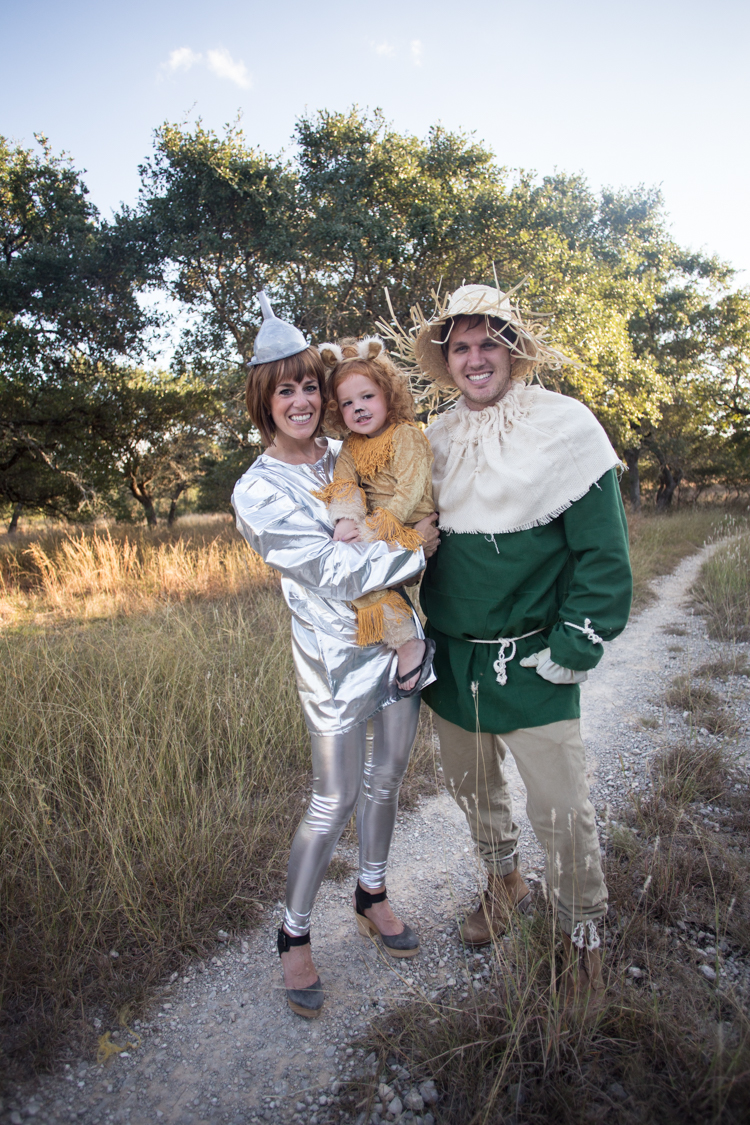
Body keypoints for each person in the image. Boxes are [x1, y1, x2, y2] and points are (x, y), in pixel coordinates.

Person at [380, 282, 632, 1005]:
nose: (474, 356)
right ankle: (504, 880)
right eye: (460, 346)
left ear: (514, 351)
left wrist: (577, 642)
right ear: (446, 360)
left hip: (534, 656)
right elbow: (415, 536)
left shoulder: (567, 426)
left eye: (489, 341)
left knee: (561, 806)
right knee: (473, 788)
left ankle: (584, 933)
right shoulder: (436, 438)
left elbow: (604, 557)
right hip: (456, 658)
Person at [231, 293, 439, 1019]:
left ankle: (372, 891)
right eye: (283, 388)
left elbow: (411, 491)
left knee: (390, 777)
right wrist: (416, 543)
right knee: (332, 798)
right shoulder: (257, 489)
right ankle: (292, 934)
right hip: (330, 659)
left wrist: (414, 528)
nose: (300, 399)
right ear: (264, 399)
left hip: (397, 637)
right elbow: (334, 569)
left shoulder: (352, 446)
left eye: (307, 385)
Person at [313, 335, 436, 695]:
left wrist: (373, 529)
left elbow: (410, 492)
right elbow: (344, 483)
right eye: (348, 403)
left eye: (367, 397)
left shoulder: (406, 435)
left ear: (388, 395)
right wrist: (346, 520)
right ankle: (402, 641)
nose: (359, 408)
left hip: (410, 522)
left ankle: (410, 645)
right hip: (376, 524)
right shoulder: (351, 444)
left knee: (357, 564)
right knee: (355, 573)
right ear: (337, 410)